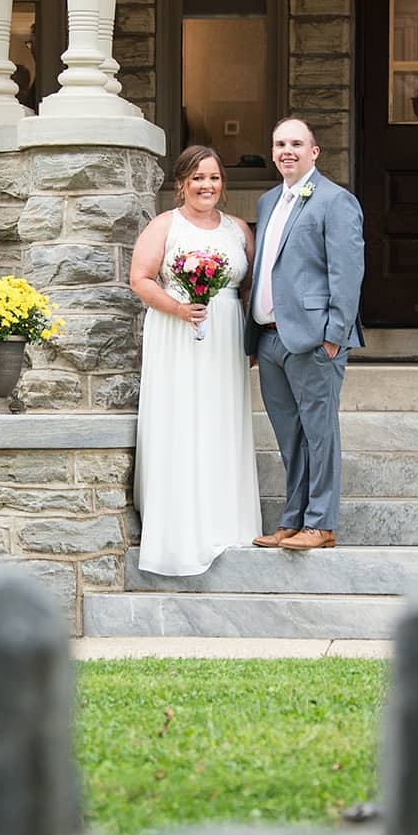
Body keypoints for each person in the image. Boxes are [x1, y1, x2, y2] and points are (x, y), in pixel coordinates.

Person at [130, 145, 261, 576]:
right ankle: (180, 531)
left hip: (223, 334)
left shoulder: (238, 229)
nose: (207, 186)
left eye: (215, 178)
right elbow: (141, 279)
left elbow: (249, 289)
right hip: (176, 333)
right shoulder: (164, 226)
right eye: (198, 178)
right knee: (182, 421)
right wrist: (179, 308)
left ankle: (227, 523)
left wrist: (252, 337)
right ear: (182, 183)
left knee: (221, 421)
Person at [243, 117, 364, 550]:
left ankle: (321, 523)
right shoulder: (268, 201)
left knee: (319, 432)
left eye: (296, 143)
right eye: (279, 144)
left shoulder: (336, 201)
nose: (286, 151)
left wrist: (335, 334)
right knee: (289, 435)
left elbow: (347, 273)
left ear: (314, 152)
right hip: (270, 339)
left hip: (314, 339)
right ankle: (292, 519)